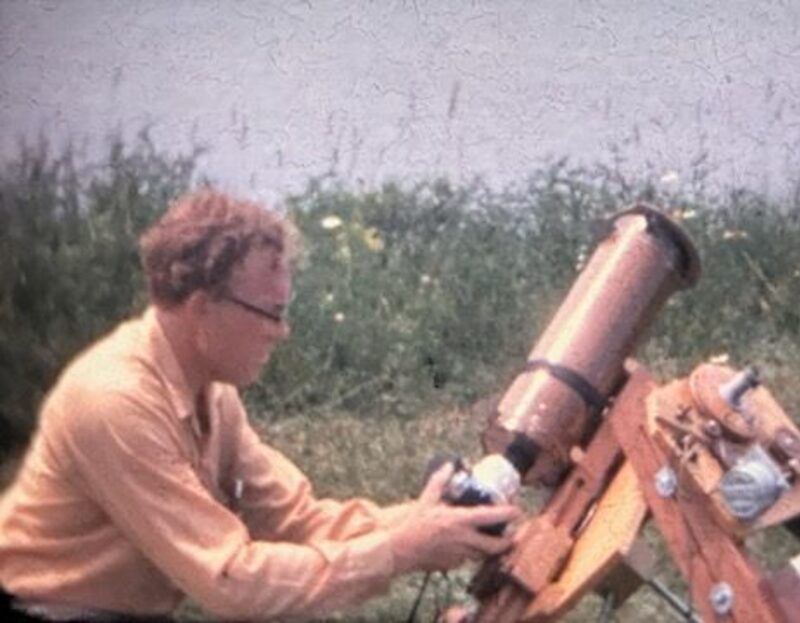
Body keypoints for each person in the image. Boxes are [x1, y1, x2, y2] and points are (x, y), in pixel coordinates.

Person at [0, 190, 519, 622]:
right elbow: (232, 580)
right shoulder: (115, 401)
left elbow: (298, 519)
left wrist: (423, 519)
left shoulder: (211, 392)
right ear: (203, 308)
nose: (281, 331)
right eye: (270, 313)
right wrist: (401, 549)